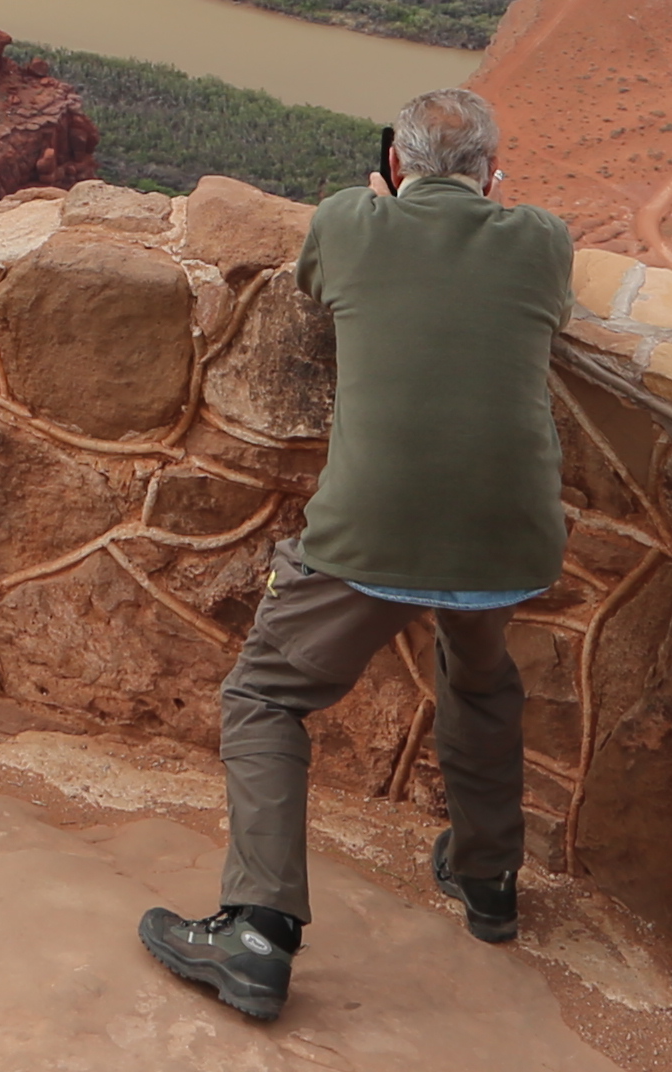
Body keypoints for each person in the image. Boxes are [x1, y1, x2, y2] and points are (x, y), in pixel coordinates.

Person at [139, 84, 573, 1026]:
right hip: (513, 532)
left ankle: (256, 931)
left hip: (372, 529)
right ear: (494, 177)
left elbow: (317, 284)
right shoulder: (541, 240)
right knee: (480, 677)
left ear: (393, 168)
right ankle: (489, 878)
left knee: (264, 695)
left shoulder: (347, 224)